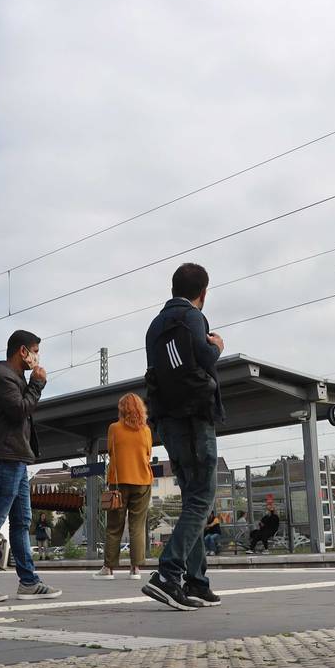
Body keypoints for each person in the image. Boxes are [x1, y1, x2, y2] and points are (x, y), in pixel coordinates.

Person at [142, 262, 225, 611]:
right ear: (202, 293)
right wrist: (217, 346)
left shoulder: (153, 326)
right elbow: (202, 358)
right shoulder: (192, 318)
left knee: (193, 496)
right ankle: (168, 573)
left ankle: (197, 580)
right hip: (193, 418)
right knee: (202, 499)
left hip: (169, 421)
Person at [0, 330, 62, 603]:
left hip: (16, 458)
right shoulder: (2, 377)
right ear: (22, 351)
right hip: (3, 458)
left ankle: (28, 582)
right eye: (35, 350)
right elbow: (20, 410)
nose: (37, 357)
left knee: (21, 522)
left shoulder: (14, 377)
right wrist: (38, 384)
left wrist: (31, 384)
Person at [93, 393, 153, 581]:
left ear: (122, 409)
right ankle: (135, 569)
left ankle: (109, 568)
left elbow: (112, 451)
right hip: (142, 481)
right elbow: (148, 453)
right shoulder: (146, 430)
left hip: (118, 484)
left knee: (114, 526)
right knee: (137, 526)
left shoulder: (114, 428)